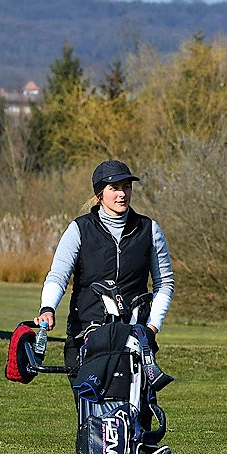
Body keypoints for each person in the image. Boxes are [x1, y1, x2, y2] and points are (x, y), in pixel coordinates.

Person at [35, 160, 176, 384]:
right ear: (100, 194)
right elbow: (58, 276)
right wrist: (48, 308)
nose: (122, 194)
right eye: (114, 188)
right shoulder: (79, 229)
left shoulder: (149, 229)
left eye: (126, 187)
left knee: (134, 406)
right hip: (85, 336)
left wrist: (151, 327)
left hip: (135, 338)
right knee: (90, 405)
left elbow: (164, 283)